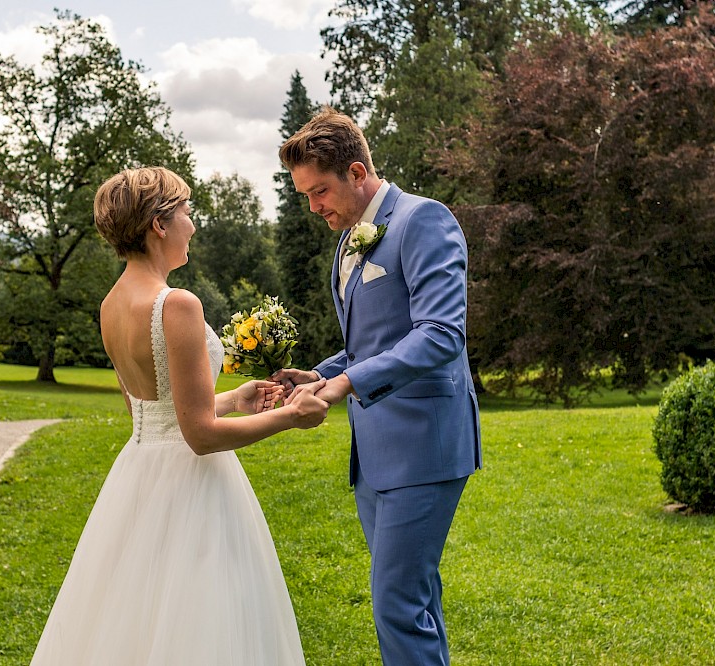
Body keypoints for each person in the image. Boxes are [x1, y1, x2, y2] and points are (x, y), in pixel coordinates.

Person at [30, 166, 328, 665]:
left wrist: (233, 400)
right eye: (187, 212)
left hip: (139, 477)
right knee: (201, 622)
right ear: (159, 225)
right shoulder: (176, 304)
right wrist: (292, 416)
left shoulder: (111, 305)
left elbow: (151, 410)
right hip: (193, 488)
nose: (193, 224)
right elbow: (200, 436)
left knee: (134, 617)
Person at [273, 107, 482, 666]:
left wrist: (345, 383)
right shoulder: (347, 241)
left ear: (358, 173)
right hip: (374, 454)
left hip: (424, 445)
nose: (314, 207)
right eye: (305, 195)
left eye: (320, 191)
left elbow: (440, 334)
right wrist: (319, 374)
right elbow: (374, 343)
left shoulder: (425, 221)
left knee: (395, 603)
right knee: (413, 599)